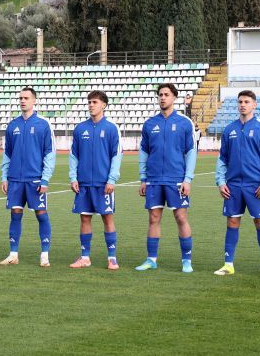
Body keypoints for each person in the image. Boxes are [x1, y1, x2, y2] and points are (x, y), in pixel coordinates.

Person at [214, 90, 260, 278]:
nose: (243, 105)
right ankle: (228, 264)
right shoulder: (229, 129)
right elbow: (222, 158)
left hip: (255, 186)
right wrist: (221, 181)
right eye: (240, 101)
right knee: (232, 222)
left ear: (254, 105)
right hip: (233, 186)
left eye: (247, 102)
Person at [135, 83, 196, 273]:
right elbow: (144, 152)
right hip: (153, 179)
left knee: (181, 217)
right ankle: (151, 259)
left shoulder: (185, 123)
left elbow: (191, 152)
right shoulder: (150, 123)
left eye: (166, 94)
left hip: (176, 178)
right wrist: (143, 178)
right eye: (160, 95)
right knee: (153, 218)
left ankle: (186, 261)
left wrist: (188, 179)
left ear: (174, 97)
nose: (162, 98)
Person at [0, 87, 55, 267]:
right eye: (21, 98)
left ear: (34, 101)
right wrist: (4, 177)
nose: (23, 101)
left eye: (26, 98)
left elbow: (49, 153)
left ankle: (44, 255)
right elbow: (7, 154)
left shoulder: (43, 124)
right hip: (15, 179)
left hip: (35, 179)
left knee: (41, 214)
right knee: (15, 214)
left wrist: (45, 179)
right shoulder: (12, 125)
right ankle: (13, 254)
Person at [68, 90, 122, 270]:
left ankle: (112, 258)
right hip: (83, 183)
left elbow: (116, 156)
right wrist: (73, 177)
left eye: (95, 102)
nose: (91, 105)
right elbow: (74, 155)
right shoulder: (80, 128)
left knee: (107, 218)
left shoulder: (111, 128)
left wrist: (112, 179)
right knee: (84, 218)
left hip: (103, 183)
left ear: (104, 105)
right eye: (89, 102)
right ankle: (85, 257)